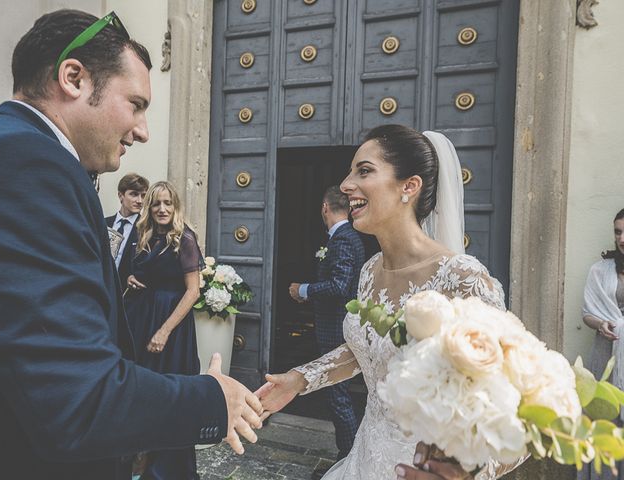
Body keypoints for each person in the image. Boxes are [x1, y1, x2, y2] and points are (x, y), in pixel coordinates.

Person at [0, 10, 261, 480]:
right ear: (73, 78)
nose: (143, 130)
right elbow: (75, 398)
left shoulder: (16, 149)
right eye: (135, 104)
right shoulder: (27, 163)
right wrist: (213, 398)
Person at [256, 125, 526, 480]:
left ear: (409, 187)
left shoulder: (462, 278)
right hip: (366, 457)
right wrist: (300, 380)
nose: (346, 184)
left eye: (363, 171)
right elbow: (369, 350)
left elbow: (517, 416)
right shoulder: (370, 270)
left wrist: (459, 472)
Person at [124, 181, 205, 479]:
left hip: (170, 329)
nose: (162, 209)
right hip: (141, 320)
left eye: (168, 203)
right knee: (141, 393)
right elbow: (143, 271)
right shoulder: (144, 236)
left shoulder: (184, 239)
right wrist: (132, 275)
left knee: (168, 397)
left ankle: (166, 471)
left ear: (175, 207)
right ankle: (140, 460)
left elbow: (192, 291)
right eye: (157, 203)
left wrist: (164, 331)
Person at [288, 185, 365, 478]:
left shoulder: (343, 239)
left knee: (337, 394)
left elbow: (340, 285)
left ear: (324, 208)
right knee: (337, 394)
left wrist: (303, 290)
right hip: (335, 326)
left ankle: (348, 460)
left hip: (336, 328)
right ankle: (348, 456)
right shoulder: (346, 237)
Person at [578, 208, 624, 480]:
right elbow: (587, 313)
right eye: (618, 231)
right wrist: (602, 325)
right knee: (603, 422)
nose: (622, 238)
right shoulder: (600, 270)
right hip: (605, 356)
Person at [106, 172, 150, 288]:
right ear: (121, 196)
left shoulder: (147, 229)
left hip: (126, 295)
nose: (140, 201)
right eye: (134, 194)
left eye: (143, 195)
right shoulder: (103, 224)